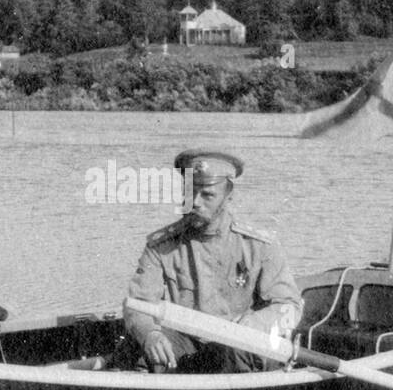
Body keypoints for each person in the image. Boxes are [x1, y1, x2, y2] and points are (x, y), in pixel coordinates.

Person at [123, 149, 302, 372]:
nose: (195, 202)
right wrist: (150, 335)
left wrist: (251, 326)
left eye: (207, 195)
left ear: (228, 196)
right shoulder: (162, 246)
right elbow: (137, 305)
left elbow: (290, 308)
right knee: (150, 350)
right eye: (190, 192)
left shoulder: (260, 246)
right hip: (186, 343)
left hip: (236, 345)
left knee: (239, 349)